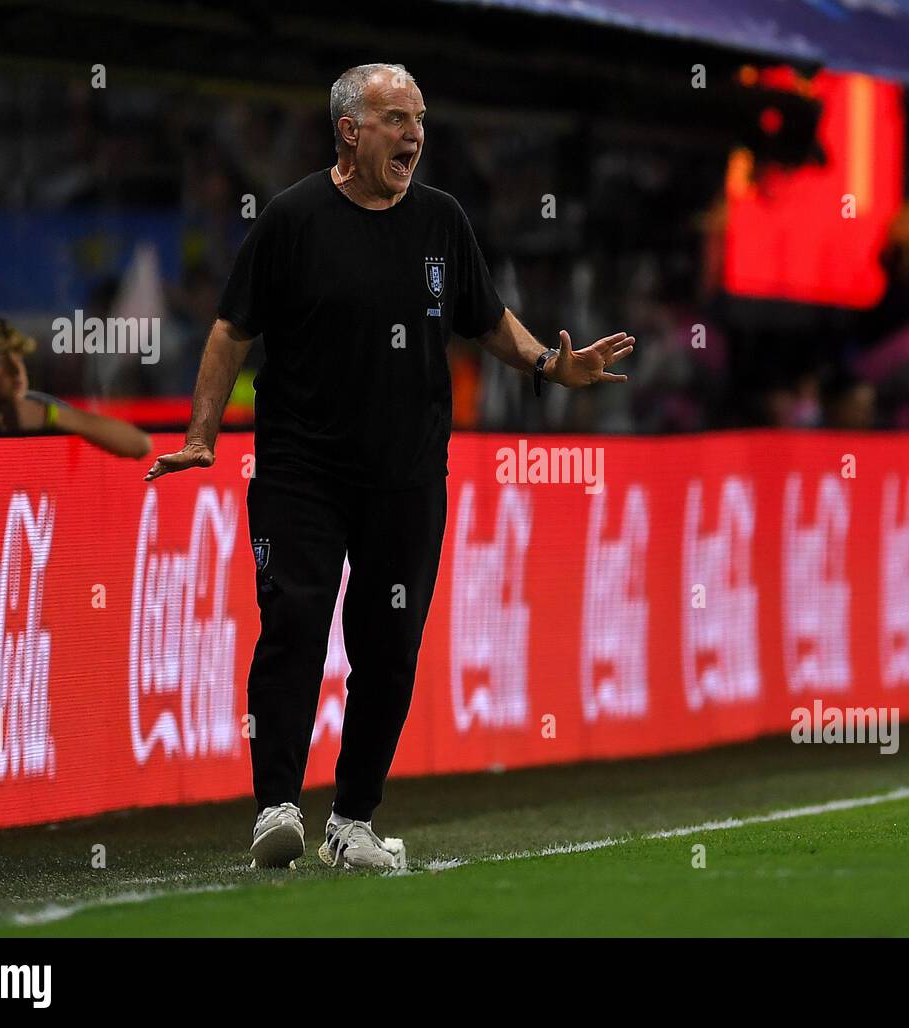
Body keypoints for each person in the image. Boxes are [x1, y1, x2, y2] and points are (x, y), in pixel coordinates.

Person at [145, 63, 633, 871]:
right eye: (397, 119)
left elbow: (486, 319)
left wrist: (551, 362)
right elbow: (233, 329)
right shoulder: (293, 218)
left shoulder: (442, 220)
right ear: (349, 129)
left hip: (406, 477)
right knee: (294, 626)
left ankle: (352, 822)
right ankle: (275, 808)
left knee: (390, 644)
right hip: (301, 471)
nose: (414, 135)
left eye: (419, 119)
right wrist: (203, 432)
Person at [0, 317, 152, 458]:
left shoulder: (42, 409)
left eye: (18, 358)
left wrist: (53, 416)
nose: (16, 370)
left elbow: (139, 445)